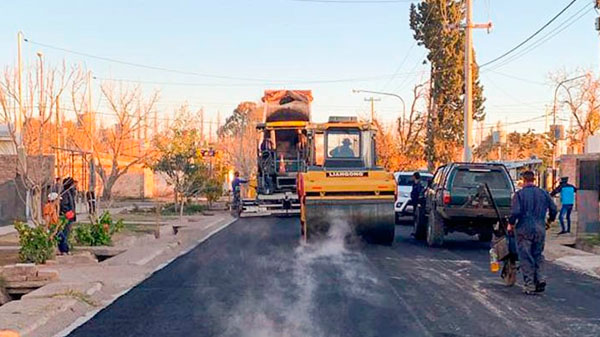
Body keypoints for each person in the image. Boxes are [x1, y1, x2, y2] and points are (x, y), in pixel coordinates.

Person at [508, 170, 557, 294]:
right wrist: (549, 221)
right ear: (534, 180)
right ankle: (540, 278)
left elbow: (515, 212)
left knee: (526, 257)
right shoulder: (544, 193)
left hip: (524, 229)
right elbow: (553, 209)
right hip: (540, 228)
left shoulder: (519, 195)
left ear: (523, 180)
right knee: (537, 254)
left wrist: (511, 223)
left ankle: (529, 285)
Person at [58, 177, 77, 255]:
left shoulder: (70, 193)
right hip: (67, 217)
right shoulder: (65, 193)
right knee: (64, 233)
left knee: (67, 233)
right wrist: (68, 214)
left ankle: (65, 249)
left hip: (70, 217)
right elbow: (64, 205)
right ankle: (64, 249)